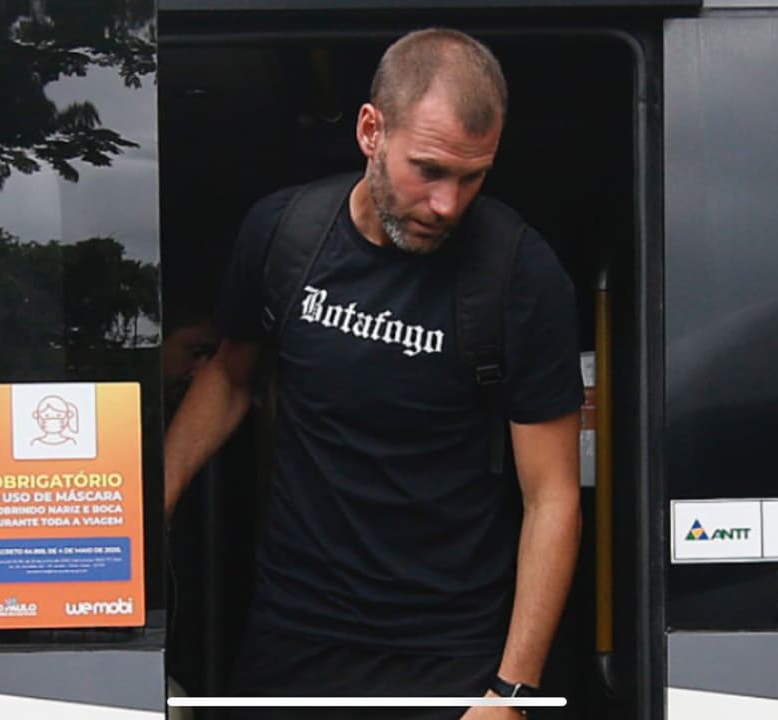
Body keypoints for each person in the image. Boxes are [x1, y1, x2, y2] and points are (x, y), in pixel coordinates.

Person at [163, 27, 582, 719]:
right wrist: (151, 507)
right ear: (369, 131)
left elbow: (553, 497)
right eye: (429, 169)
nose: (448, 204)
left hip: (452, 652)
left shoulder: (519, 273)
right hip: (294, 635)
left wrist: (512, 690)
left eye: (472, 176)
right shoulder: (284, 234)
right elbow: (232, 378)